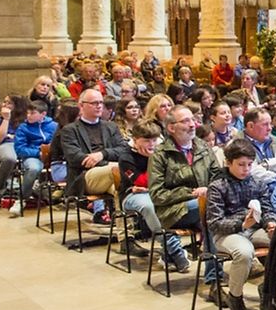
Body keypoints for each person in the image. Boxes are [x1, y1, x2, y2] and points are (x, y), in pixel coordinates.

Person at [148, 105, 223, 286]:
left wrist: (208, 191)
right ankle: (214, 278)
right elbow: (157, 194)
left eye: (193, 120)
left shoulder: (203, 147)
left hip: (204, 206)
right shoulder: (160, 155)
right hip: (172, 212)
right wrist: (191, 194)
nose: (192, 125)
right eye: (186, 121)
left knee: (211, 213)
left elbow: (218, 177)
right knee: (208, 209)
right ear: (171, 127)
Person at [207, 139, 276, 310]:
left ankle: (269, 289)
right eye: (241, 165)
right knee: (244, 253)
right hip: (226, 234)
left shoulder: (257, 183)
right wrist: (241, 225)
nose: (246, 169)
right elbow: (214, 223)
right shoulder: (217, 186)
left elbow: (268, 208)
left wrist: (270, 223)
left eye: (249, 164)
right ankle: (235, 296)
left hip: (254, 229)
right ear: (228, 163)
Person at [117, 120, 190, 270]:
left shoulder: (164, 152)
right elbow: (141, 181)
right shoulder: (126, 157)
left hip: (158, 191)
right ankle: (175, 249)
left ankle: (168, 255)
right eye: (146, 140)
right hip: (132, 196)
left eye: (154, 140)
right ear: (135, 140)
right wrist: (153, 161)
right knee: (151, 205)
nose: (151, 144)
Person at [60, 89, 131, 223]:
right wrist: (107, 163)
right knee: (118, 172)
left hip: (110, 173)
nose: (99, 106)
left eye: (100, 103)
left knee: (121, 188)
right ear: (81, 106)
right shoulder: (69, 130)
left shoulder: (111, 127)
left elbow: (123, 150)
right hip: (84, 177)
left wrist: (101, 154)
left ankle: (126, 235)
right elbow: (74, 158)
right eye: (94, 103)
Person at [12, 99, 56, 209]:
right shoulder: (23, 128)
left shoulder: (54, 126)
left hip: (52, 156)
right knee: (33, 169)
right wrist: (38, 153)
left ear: (43, 114)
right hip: (33, 156)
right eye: (28, 113)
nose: (28, 116)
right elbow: (20, 149)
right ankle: (21, 199)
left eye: (32, 113)